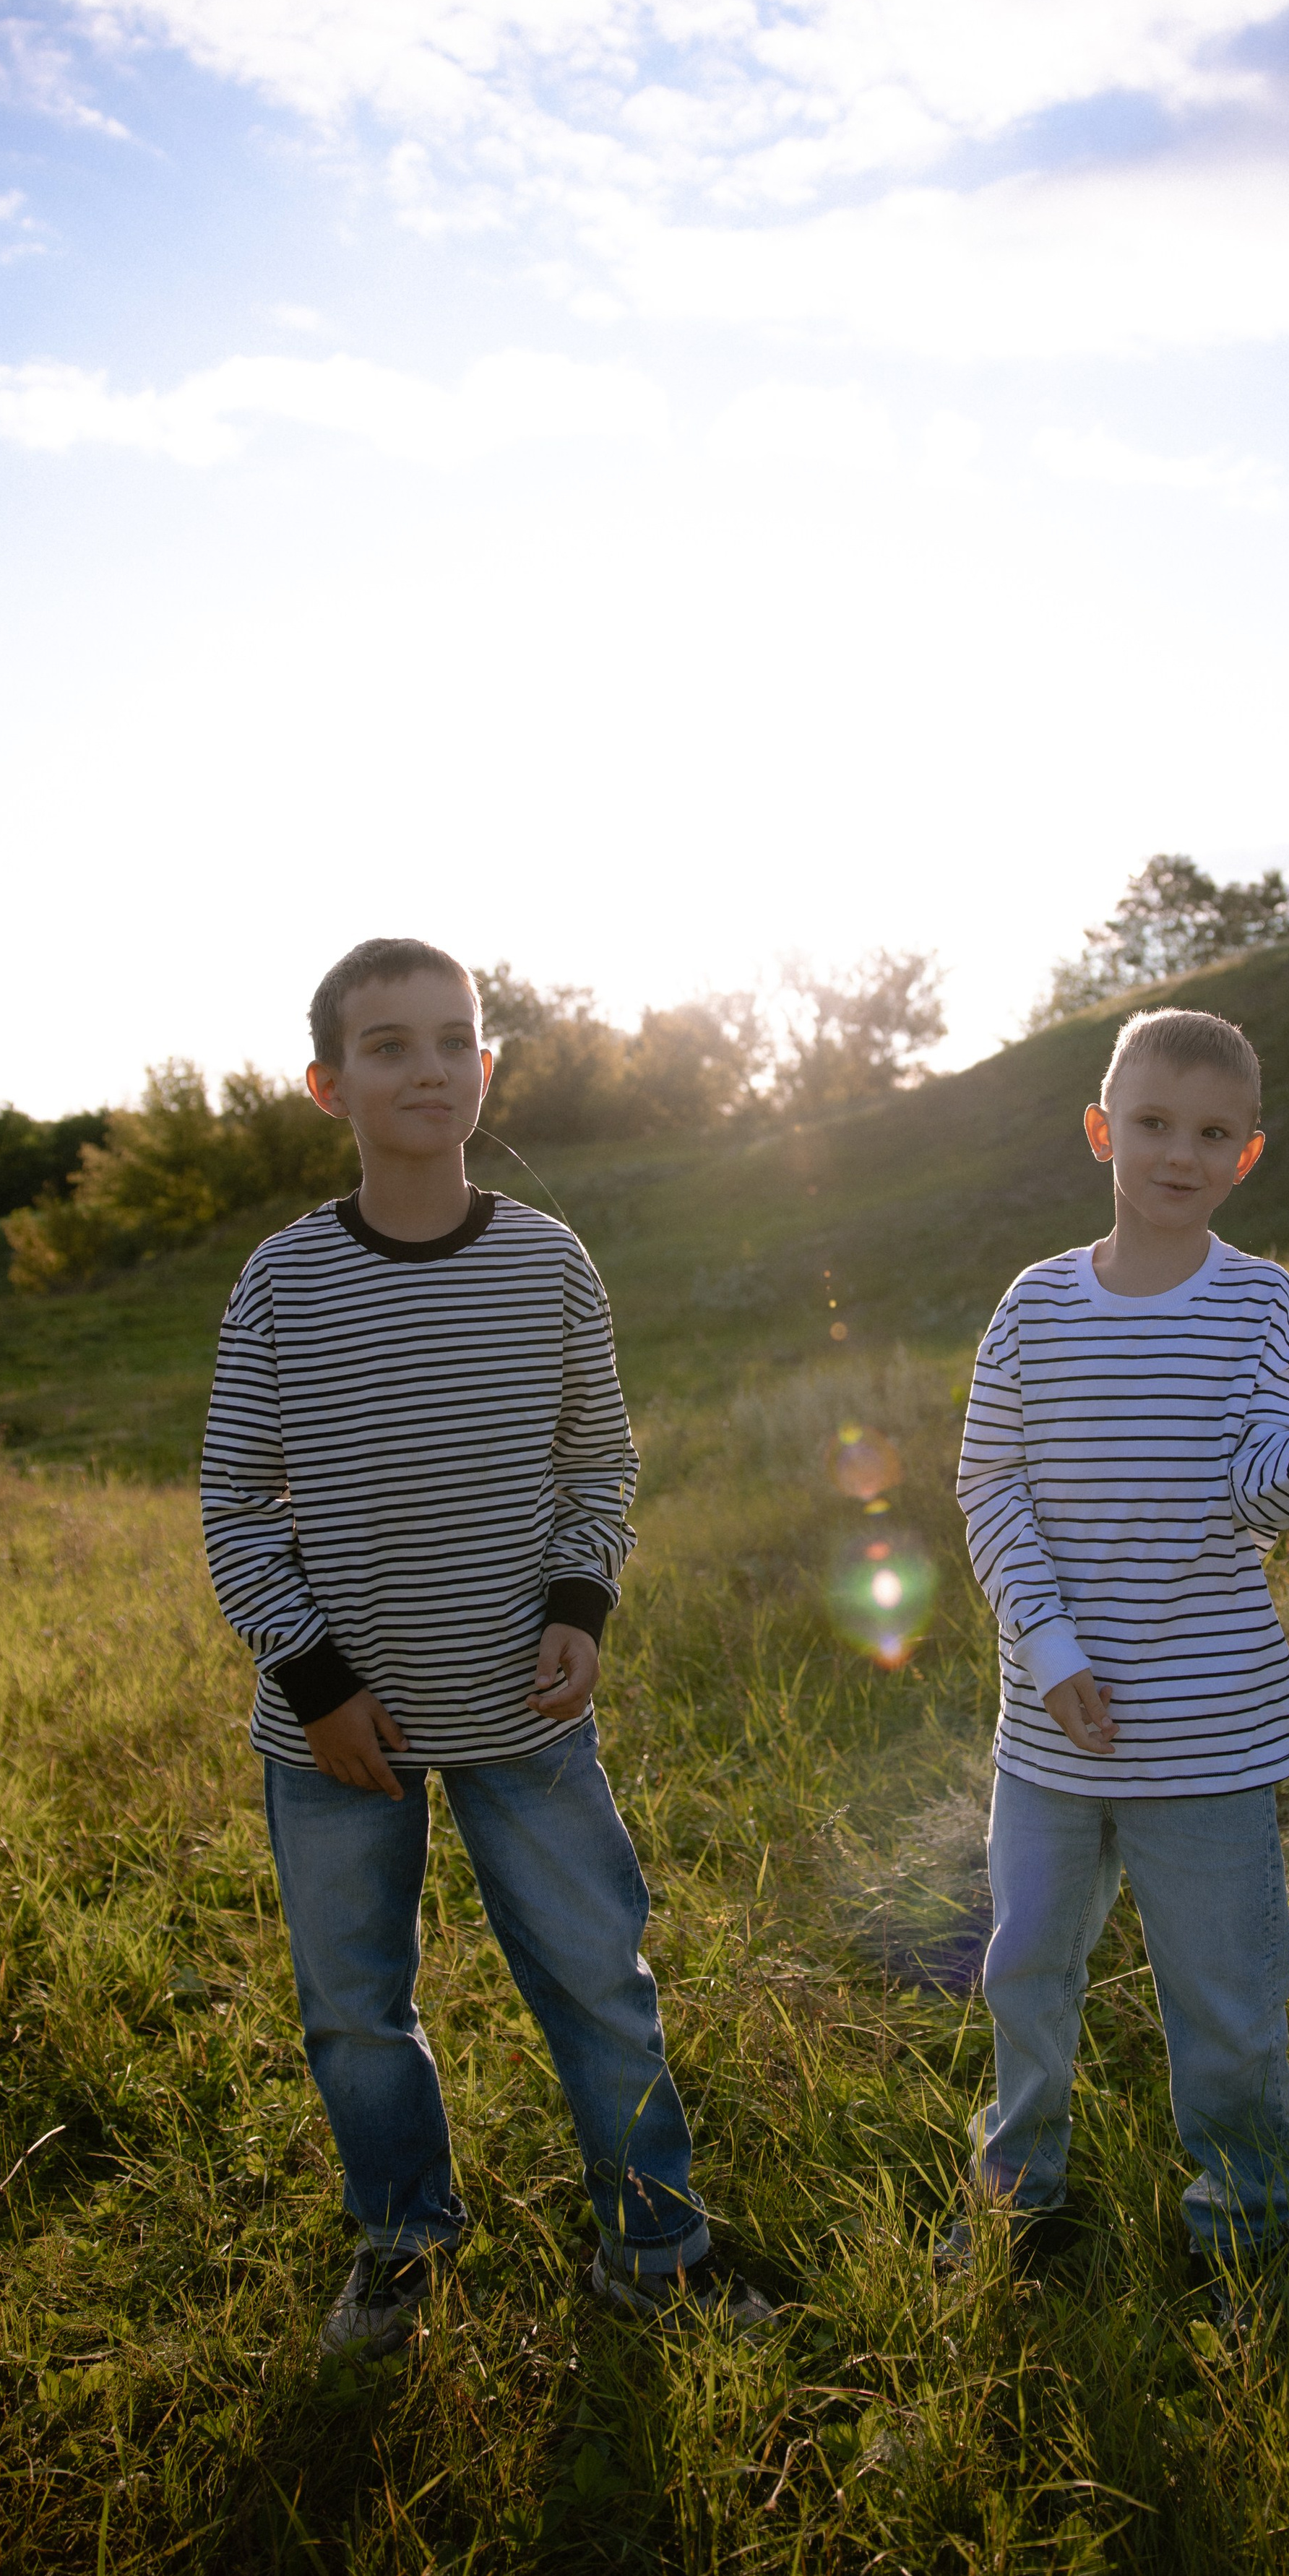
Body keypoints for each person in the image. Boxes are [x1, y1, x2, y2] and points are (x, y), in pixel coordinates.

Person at [199, 935, 772, 2358]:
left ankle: (657, 2244)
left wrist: (580, 1606)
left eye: (452, 1038)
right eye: (388, 1044)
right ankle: (400, 2237)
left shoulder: (545, 1260)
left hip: (522, 1707)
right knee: (353, 2008)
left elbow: (597, 1458)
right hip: (342, 1735)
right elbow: (235, 1499)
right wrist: (316, 1680)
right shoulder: (280, 1281)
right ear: (327, 1082)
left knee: (595, 1976)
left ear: (487, 1067)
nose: (428, 1066)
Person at [947, 1004, 1289, 2310]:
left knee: (1223, 2001)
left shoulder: (1261, 1306)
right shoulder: (1034, 1305)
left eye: (1211, 1133)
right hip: (1048, 1725)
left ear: (1248, 1154)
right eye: (1152, 1124)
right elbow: (991, 1487)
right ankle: (1019, 2193)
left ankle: (1244, 2232)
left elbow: (1268, 1487)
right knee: (1025, 1964)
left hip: (1207, 1733)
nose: (1177, 1153)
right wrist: (1047, 1639)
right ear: (1102, 1130)